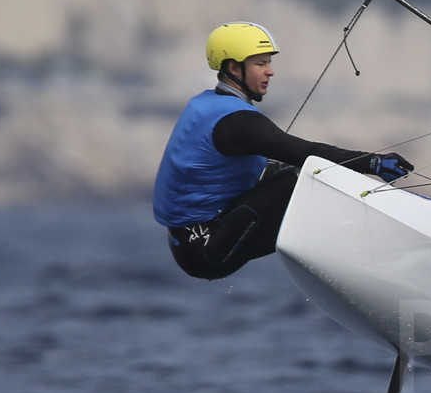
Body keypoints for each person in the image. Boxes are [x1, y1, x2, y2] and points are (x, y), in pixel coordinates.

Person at [153, 22, 415, 281]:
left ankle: (380, 236)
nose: (271, 72)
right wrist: (373, 163)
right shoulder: (237, 122)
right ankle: (375, 256)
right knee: (298, 178)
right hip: (207, 254)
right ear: (234, 68)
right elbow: (303, 151)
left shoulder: (208, 102)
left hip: (191, 241)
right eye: (260, 64)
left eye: (269, 62)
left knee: (285, 172)